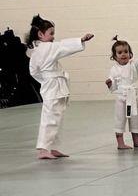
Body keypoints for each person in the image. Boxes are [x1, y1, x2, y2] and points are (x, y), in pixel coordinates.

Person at [27, 15, 94, 159]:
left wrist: (44, 79)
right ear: (40, 34)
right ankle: (44, 149)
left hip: (50, 83)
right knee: (50, 117)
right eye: (51, 33)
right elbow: (63, 46)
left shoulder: (35, 51)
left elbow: (33, 71)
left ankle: (53, 147)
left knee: (56, 117)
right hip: (52, 84)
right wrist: (81, 40)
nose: (53, 37)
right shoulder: (48, 47)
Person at [105, 36, 138, 150]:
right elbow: (113, 85)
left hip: (132, 98)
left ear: (130, 54)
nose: (123, 54)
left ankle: (136, 141)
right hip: (121, 98)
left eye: (126, 51)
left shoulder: (133, 66)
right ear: (115, 57)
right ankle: (120, 143)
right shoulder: (114, 69)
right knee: (120, 119)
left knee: (134, 118)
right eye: (120, 53)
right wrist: (109, 83)